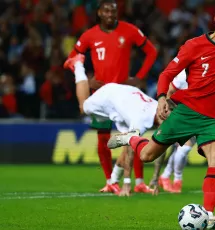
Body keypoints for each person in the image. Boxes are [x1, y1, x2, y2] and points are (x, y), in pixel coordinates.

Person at [108, 3, 215, 229]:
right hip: (186, 112)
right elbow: (167, 74)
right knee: (147, 155)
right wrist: (163, 97)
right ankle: (130, 138)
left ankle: (209, 215)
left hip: (213, 119)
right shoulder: (194, 46)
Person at [66, 0, 157, 193]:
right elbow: (72, 57)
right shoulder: (89, 35)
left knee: (134, 135)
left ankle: (139, 182)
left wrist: (139, 78)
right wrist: (89, 81)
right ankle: (110, 181)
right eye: (106, 10)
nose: (110, 14)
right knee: (103, 138)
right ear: (99, 12)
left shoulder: (129, 30)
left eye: (113, 11)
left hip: (125, 95)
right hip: (101, 95)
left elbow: (151, 52)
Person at [64, 53, 159, 196]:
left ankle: (112, 182)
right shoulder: (141, 119)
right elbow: (130, 150)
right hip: (109, 96)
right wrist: (127, 183)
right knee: (83, 107)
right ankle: (77, 64)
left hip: (124, 99)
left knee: (129, 142)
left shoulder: (159, 107)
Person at [158, 70, 215, 193]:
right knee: (184, 149)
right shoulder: (184, 75)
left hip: (207, 119)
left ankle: (165, 176)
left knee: (182, 149)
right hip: (187, 115)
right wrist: (172, 110)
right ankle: (176, 179)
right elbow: (169, 91)